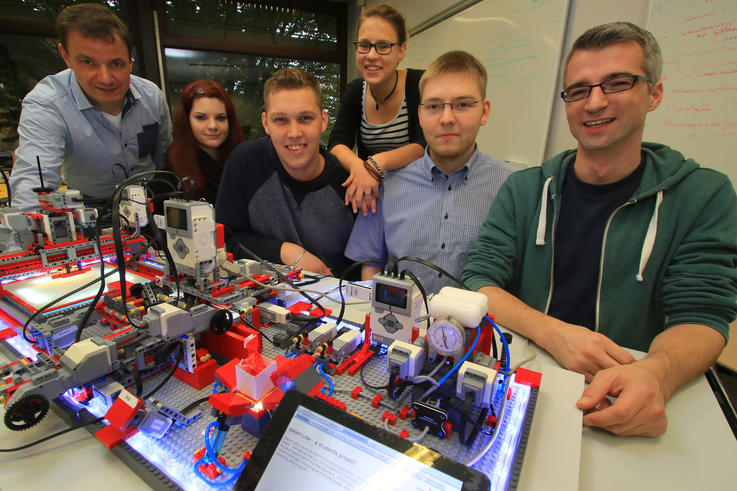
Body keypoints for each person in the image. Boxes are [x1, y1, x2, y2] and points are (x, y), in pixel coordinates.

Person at [462, 22, 737, 437]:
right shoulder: (524, 189)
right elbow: (480, 280)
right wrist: (555, 335)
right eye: (578, 90)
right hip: (529, 386)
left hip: (633, 394)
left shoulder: (702, 194)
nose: (594, 102)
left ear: (654, 93)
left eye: (617, 83)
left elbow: (702, 315)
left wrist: (658, 374)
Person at [344, 51, 513, 294]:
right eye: (434, 106)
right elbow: (369, 267)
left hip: (477, 329)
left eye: (463, 105)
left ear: (484, 112)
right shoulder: (387, 185)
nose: (447, 118)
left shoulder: (508, 187)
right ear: (420, 115)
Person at [9, 3, 171, 211]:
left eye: (116, 63)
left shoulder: (152, 97)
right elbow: (32, 185)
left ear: (131, 58)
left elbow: (166, 158)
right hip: (92, 210)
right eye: (88, 62)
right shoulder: (47, 104)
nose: (105, 78)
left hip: (150, 202)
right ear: (65, 55)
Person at [216, 68, 355, 277]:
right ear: (266, 123)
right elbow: (224, 239)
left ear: (323, 121)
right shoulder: (246, 161)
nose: (294, 133)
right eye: (281, 120)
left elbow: (366, 266)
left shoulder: (349, 182)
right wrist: (286, 252)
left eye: (305, 118)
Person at [328, 3, 425, 214]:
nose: (371, 55)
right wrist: (358, 167)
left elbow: (423, 146)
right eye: (364, 45)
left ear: (401, 50)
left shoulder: (420, 84)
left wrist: (375, 164)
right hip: (372, 196)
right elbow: (336, 144)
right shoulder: (355, 91)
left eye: (383, 46)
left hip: (418, 196)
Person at [166, 79, 245, 204]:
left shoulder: (244, 157)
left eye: (220, 118)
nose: (213, 126)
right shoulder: (172, 167)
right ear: (186, 121)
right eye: (201, 118)